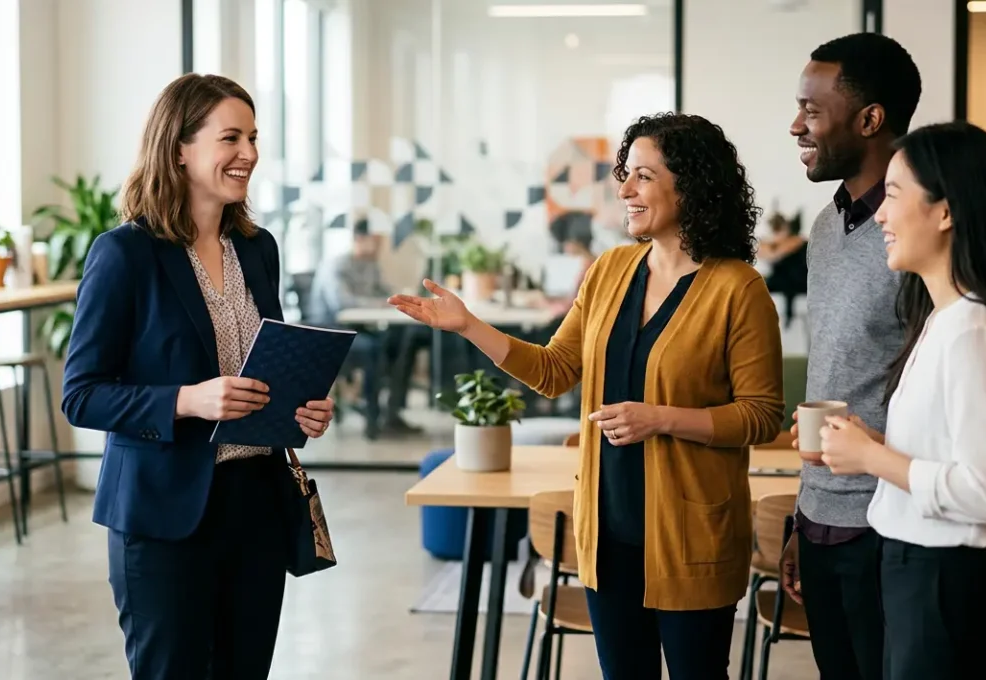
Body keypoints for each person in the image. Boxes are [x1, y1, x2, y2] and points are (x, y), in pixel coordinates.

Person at [390, 112, 785, 679]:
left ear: (691, 185)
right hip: (607, 535)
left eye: (643, 176)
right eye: (626, 174)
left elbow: (762, 416)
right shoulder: (610, 270)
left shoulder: (737, 289)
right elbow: (554, 370)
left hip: (692, 537)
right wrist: (469, 326)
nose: (624, 189)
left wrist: (662, 419)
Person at [61, 73, 336, 680]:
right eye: (230, 138)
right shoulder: (125, 254)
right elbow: (81, 396)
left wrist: (304, 407)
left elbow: (272, 361)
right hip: (163, 515)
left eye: (254, 138)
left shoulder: (257, 247)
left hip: (258, 504)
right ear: (179, 147)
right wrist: (189, 399)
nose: (249, 154)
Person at [818, 120, 986, 678]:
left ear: (945, 213)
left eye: (894, 195)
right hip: (926, 578)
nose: (879, 214)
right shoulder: (946, 321)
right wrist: (875, 446)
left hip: (948, 586)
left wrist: (874, 459)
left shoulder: (971, 332)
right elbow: (954, 461)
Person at [782, 31, 922, 680]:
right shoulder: (823, 229)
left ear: (870, 120)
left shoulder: (920, 234)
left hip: (889, 520)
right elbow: (831, 374)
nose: (796, 125)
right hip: (820, 519)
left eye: (813, 110)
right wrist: (799, 516)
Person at [310, 218, 425, 436]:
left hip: (357, 328)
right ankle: (373, 420)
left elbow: (385, 291)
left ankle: (392, 413)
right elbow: (341, 303)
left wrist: (402, 298)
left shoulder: (371, 264)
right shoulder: (336, 266)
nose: (381, 246)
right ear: (360, 239)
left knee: (404, 340)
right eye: (377, 241)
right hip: (331, 332)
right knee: (374, 348)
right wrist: (381, 303)